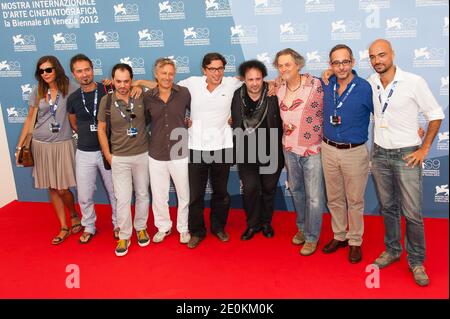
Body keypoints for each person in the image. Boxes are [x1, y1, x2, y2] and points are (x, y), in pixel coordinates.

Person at [368, 39, 444, 286]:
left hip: (407, 155)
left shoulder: (414, 82)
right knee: (388, 207)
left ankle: (416, 260)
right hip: (379, 153)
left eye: (382, 55)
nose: (377, 60)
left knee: (412, 212)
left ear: (392, 54)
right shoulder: (370, 82)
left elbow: (435, 114)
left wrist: (424, 148)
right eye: (373, 57)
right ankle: (392, 249)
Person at [15, 55, 81, 245]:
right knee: (52, 188)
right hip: (41, 144)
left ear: (57, 69)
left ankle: (74, 214)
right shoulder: (38, 90)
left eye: (48, 70)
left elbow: (88, 92)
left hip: (63, 144)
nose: (45, 74)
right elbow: (29, 119)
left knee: (62, 189)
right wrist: (20, 146)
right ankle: (63, 226)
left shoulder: (70, 88)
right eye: (41, 71)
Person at [178, 53, 242, 248]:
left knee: (221, 192)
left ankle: (218, 227)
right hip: (196, 147)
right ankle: (197, 231)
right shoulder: (192, 83)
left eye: (220, 68)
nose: (217, 73)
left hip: (223, 146)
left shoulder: (231, 83)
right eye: (213, 69)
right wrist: (138, 85)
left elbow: (256, 81)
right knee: (196, 194)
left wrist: (274, 84)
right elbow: (166, 86)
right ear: (204, 69)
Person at [320, 44, 373, 264]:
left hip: (354, 152)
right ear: (330, 65)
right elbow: (293, 81)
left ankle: (355, 241)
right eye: (336, 62)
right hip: (328, 149)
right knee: (334, 198)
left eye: (345, 62)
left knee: (355, 200)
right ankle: (339, 236)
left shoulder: (364, 88)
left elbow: (382, 114)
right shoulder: (325, 84)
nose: (341, 67)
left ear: (352, 62)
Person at [274, 48, 325, 256]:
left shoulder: (317, 84)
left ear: (298, 64)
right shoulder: (277, 88)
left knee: (314, 197)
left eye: (288, 64)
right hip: (289, 148)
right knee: (297, 191)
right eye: (280, 65)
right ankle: (303, 229)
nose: (284, 68)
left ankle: (312, 237)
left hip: (312, 149)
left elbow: (342, 84)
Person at [97, 63, 150, 257]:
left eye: (126, 81)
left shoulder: (140, 94)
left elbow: (163, 86)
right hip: (119, 157)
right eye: (118, 81)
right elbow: (101, 130)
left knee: (143, 194)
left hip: (142, 154)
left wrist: (141, 83)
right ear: (113, 81)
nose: (122, 85)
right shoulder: (107, 100)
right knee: (123, 198)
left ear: (131, 80)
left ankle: (141, 227)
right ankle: (124, 235)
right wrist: (108, 155)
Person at [67, 54, 118, 243]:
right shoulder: (72, 98)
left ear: (92, 69)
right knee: (84, 194)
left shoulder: (107, 89)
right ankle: (89, 225)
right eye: (79, 71)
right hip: (84, 152)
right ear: (74, 74)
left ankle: (118, 224)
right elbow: (73, 123)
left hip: (108, 151)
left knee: (115, 192)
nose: (84, 74)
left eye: (87, 69)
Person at [231, 60, 283, 241]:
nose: (254, 83)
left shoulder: (273, 93)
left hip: (271, 151)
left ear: (264, 79)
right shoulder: (237, 95)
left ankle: (266, 222)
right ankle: (253, 224)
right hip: (246, 152)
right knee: (251, 189)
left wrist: (276, 83)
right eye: (250, 79)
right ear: (243, 80)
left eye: (258, 79)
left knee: (269, 189)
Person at [143, 58, 191, 244]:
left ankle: (183, 228)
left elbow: (200, 108)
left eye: (171, 73)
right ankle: (163, 227)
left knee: (183, 194)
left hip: (179, 152)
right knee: (159, 194)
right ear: (156, 74)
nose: (167, 77)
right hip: (156, 153)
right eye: (163, 73)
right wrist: (138, 84)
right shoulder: (147, 97)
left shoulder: (184, 93)